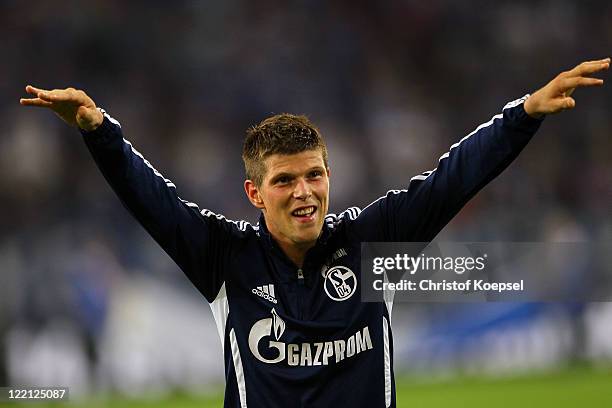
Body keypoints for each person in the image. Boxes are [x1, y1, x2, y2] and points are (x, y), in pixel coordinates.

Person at [20, 58, 609, 407]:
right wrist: (98, 130)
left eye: (314, 175)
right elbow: (151, 200)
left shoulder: (371, 244)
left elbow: (452, 179)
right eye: (284, 181)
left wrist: (524, 114)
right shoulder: (226, 257)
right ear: (255, 193)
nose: (304, 192)